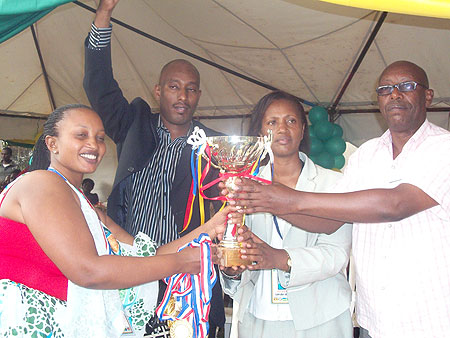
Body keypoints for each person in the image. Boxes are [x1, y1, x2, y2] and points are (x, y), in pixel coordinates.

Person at [227, 61, 450, 338]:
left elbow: (394, 205)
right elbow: (329, 221)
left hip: (432, 320)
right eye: (385, 89)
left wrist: (286, 202)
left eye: (406, 86)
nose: (394, 95)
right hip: (376, 323)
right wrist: (263, 201)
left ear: (427, 96)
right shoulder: (367, 155)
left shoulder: (443, 148)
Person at [0, 104, 234, 337]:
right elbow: (88, 271)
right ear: (52, 144)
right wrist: (181, 262)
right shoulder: (41, 183)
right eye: (81, 135)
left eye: (100, 138)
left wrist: (211, 227)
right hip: (31, 325)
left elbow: (148, 256)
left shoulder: (88, 209)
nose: (94, 144)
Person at [83, 0, 226, 334]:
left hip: (188, 277)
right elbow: (99, 86)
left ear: (199, 96)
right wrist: (103, 16)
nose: (182, 96)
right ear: (158, 90)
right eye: (174, 86)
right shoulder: (133, 124)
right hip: (131, 274)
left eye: (191, 89)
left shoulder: (215, 148)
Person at [219, 91, 353, 338]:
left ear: (303, 129)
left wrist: (279, 258)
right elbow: (236, 250)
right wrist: (232, 269)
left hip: (320, 320)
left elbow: (336, 254)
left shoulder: (333, 183)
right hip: (258, 318)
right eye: (272, 122)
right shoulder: (243, 186)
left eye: (291, 121)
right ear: (261, 133)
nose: (282, 129)